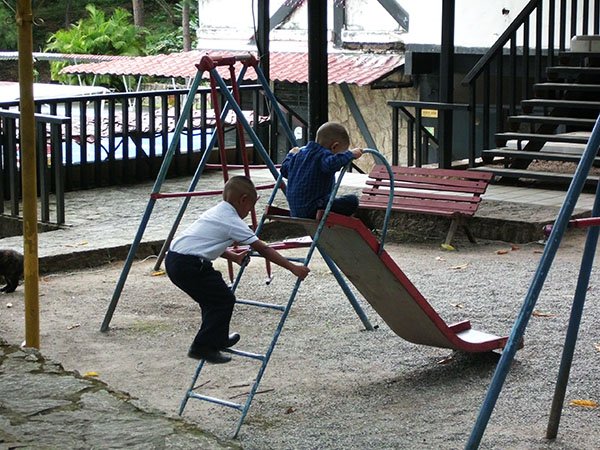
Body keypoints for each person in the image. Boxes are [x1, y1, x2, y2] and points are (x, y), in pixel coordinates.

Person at [165, 175, 310, 364]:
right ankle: (202, 347)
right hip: (189, 264)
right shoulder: (232, 220)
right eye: (249, 208)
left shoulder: (217, 212)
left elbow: (208, 243)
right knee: (223, 300)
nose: (249, 213)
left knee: (212, 300)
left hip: (177, 259)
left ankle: (218, 338)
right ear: (243, 200)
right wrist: (293, 268)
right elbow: (263, 248)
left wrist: (233, 256)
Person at [280, 121, 363, 219]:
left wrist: (290, 154)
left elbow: (284, 170)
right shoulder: (323, 156)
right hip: (314, 209)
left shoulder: (299, 155)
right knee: (352, 200)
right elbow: (332, 164)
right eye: (340, 153)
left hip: (295, 210)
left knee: (333, 199)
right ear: (334, 146)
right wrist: (350, 154)